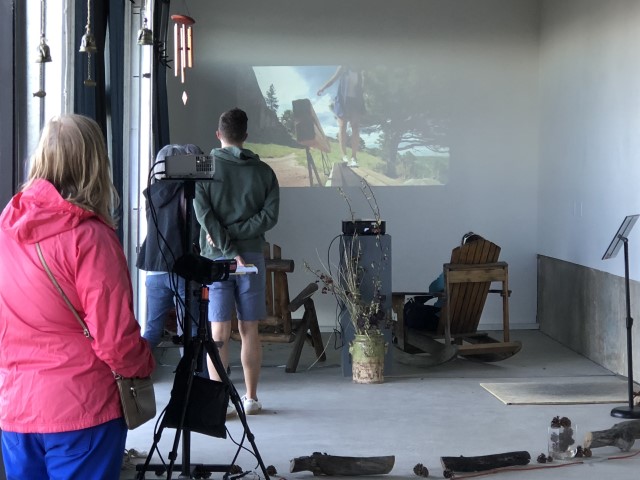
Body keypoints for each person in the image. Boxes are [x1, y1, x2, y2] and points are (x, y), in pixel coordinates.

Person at [0, 114, 155, 479]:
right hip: (81, 408)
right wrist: (144, 363)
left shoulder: (7, 226)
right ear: (96, 163)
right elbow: (115, 340)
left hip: (16, 407)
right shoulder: (90, 238)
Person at [194, 108, 279, 415]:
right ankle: (252, 398)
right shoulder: (265, 172)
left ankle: (219, 404)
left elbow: (203, 215)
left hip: (216, 259)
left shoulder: (204, 167)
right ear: (246, 135)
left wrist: (226, 243)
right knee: (249, 329)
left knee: (218, 333)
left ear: (218, 134)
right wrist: (239, 241)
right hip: (252, 257)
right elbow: (269, 217)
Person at [136, 144, 204, 352]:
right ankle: (190, 380)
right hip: (182, 267)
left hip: (154, 268)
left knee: (152, 330)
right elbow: (194, 230)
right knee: (189, 330)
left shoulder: (151, 194)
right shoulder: (187, 193)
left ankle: (136, 376)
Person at [406, 232, 485, 331]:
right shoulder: (485, 273)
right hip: (468, 322)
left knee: (408, 308)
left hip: (442, 321)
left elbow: (433, 289)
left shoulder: (453, 270)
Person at [317, 65, 365, 167]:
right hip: (342, 100)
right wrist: (322, 88)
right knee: (342, 126)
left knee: (355, 127)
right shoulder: (343, 67)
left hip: (355, 101)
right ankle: (344, 155)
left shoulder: (360, 70)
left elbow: (362, 87)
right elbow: (333, 79)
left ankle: (354, 157)